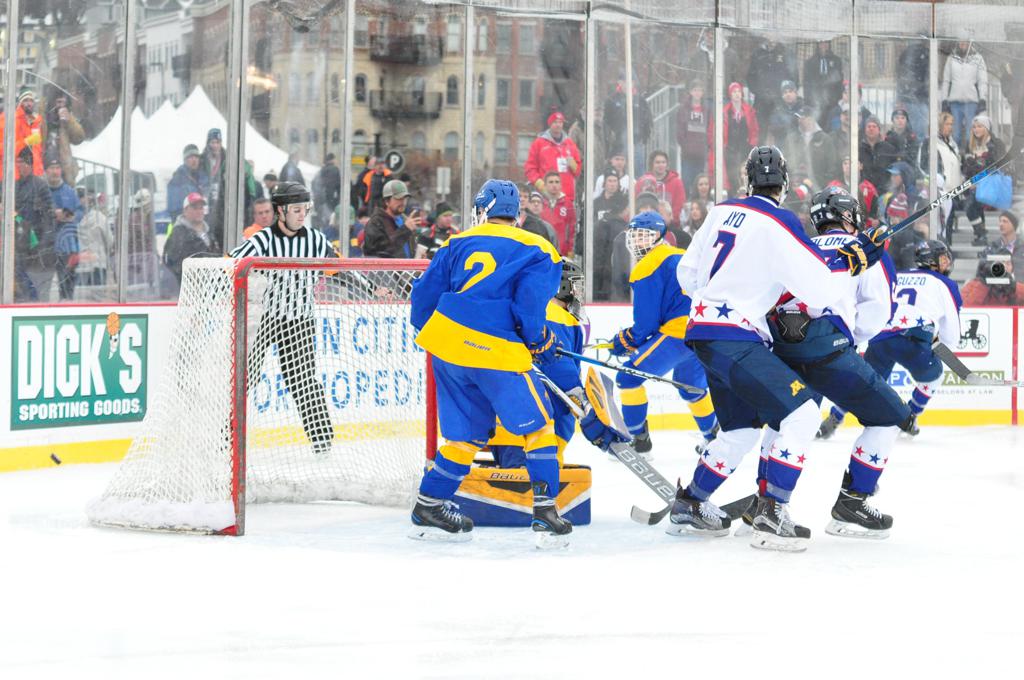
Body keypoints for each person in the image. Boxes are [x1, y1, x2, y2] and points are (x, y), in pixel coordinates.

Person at [671, 145, 887, 550]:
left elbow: (687, 274)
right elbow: (817, 291)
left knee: (739, 431)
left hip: (702, 330)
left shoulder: (720, 211)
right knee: (803, 415)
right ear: (784, 184)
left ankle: (691, 503)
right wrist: (852, 262)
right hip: (737, 336)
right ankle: (772, 511)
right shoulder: (781, 221)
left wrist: (723, 291)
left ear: (747, 180)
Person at [407, 179, 621, 545]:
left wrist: (445, 335)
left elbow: (423, 301)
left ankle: (429, 504)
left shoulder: (455, 242)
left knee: (466, 437)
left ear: (483, 210)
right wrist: (538, 341)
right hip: (495, 350)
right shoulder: (537, 247)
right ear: (516, 213)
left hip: (446, 347)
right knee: (539, 429)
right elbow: (529, 306)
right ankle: (546, 512)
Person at [760, 187, 905, 538]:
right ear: (849, 216)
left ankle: (765, 504)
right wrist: (850, 337)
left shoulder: (800, 245)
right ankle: (852, 503)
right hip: (831, 353)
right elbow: (879, 310)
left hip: (783, 350)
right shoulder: (864, 248)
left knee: (787, 421)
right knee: (889, 416)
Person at [230, 181, 338, 457]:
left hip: (300, 321)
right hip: (264, 320)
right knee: (243, 377)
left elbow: (340, 268)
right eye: (296, 209)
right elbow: (231, 263)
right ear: (281, 211)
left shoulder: (316, 240)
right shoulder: (262, 240)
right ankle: (225, 437)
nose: (302, 215)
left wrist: (373, 288)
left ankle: (322, 443)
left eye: (305, 209)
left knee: (303, 381)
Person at [821, 240, 962, 439]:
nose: (947, 262)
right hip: (913, 339)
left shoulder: (899, 274)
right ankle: (911, 417)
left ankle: (834, 418)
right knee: (934, 376)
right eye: (943, 258)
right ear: (931, 261)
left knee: (864, 382)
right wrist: (942, 346)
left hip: (880, 337)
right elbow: (951, 335)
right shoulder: (945, 284)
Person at [609, 210, 718, 460]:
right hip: (703, 331)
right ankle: (714, 439)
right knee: (691, 386)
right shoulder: (683, 255)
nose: (637, 241)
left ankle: (638, 442)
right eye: (634, 235)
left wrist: (627, 340)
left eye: (644, 235)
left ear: (659, 235)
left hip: (677, 333)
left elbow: (647, 322)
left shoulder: (647, 265)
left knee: (628, 378)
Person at [489, 261, 622, 466]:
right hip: (540, 424)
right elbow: (559, 366)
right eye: (576, 286)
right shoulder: (555, 314)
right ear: (562, 286)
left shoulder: (523, 311)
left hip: (506, 418)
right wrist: (579, 397)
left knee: (514, 475)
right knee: (536, 478)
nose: (578, 293)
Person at [14, 148, 56, 301]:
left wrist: (42, 243)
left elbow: (49, 216)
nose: (19, 165)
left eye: (22, 162)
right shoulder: (14, 186)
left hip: (35, 243)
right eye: (17, 162)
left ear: (29, 164)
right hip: (18, 241)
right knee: (21, 280)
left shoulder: (40, 186)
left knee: (35, 286)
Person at [962, 114, 1006, 246]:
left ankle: (981, 233)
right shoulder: (970, 145)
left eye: (980, 126)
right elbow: (966, 167)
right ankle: (981, 235)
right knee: (973, 204)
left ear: (987, 128)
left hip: (993, 183)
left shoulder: (996, 144)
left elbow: (998, 167)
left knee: (970, 207)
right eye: (974, 127)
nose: (976, 129)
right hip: (974, 184)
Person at [712, 82, 759, 195]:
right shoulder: (725, 111)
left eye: (739, 91)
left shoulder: (748, 110)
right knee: (732, 176)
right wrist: (723, 145)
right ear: (730, 94)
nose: (737, 94)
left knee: (745, 174)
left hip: (745, 148)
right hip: (730, 149)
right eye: (734, 92)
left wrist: (752, 143)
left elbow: (754, 129)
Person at [524, 111, 582, 203]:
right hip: (546, 197)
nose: (558, 125)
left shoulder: (570, 143)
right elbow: (530, 168)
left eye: (560, 122)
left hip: (567, 197)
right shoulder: (539, 143)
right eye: (555, 122)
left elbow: (578, 171)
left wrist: (574, 166)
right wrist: (540, 184)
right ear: (550, 124)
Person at [164, 192, 220, 284]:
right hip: (190, 285)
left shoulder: (209, 232)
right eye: (195, 208)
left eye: (201, 208)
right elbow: (174, 265)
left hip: (211, 284)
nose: (199, 211)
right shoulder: (178, 234)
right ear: (185, 211)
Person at [941, 40, 988, 146]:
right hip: (954, 101)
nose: (963, 44)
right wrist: (944, 99)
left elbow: (982, 80)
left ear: (970, 43)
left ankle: (970, 153)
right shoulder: (951, 58)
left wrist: (982, 98)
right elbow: (946, 80)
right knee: (955, 133)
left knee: (970, 133)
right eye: (960, 41)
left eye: (965, 41)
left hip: (971, 101)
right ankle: (955, 153)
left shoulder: (977, 58)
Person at [362, 179, 420, 258]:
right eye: (398, 198)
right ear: (387, 201)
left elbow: (409, 249)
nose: (403, 202)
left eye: (405, 198)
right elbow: (378, 252)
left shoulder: (405, 220)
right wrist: (405, 230)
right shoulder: (375, 222)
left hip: (407, 266)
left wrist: (418, 256)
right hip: (387, 266)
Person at [0, 88, 45, 178]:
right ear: (19, 102)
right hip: (13, 175)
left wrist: (39, 172)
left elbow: (39, 150)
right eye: (25, 100)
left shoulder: (37, 121)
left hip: (34, 174)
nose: (29, 103)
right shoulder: (8, 119)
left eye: (31, 100)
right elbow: (3, 149)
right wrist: (25, 142)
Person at [634, 150, 686, 228]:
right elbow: (637, 202)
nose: (661, 165)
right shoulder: (642, 181)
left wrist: (670, 220)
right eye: (657, 162)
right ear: (652, 164)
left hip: (670, 225)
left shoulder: (677, 182)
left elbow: (679, 205)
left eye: (663, 162)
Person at [42, 92, 85, 184]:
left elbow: (79, 138)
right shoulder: (44, 117)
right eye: (58, 102)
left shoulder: (67, 118)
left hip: (63, 168)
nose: (61, 105)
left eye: (63, 103)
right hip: (44, 165)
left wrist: (70, 120)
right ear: (53, 102)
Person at [675, 80, 710, 192]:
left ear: (702, 93)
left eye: (699, 90)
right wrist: (685, 145)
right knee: (686, 181)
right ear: (690, 92)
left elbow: (709, 129)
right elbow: (680, 130)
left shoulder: (707, 110)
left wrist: (706, 146)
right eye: (695, 90)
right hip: (687, 154)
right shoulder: (683, 109)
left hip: (701, 153)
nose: (697, 93)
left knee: (699, 182)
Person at [803, 40, 844, 129]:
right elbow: (807, 85)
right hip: (816, 102)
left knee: (831, 126)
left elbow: (839, 82)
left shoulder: (836, 60)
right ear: (818, 44)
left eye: (826, 42)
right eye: (821, 43)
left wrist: (837, 99)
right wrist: (809, 101)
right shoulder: (810, 62)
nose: (824, 45)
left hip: (832, 102)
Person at [76, 190, 112, 287]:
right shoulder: (100, 218)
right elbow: (109, 240)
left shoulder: (72, 219)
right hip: (98, 262)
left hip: (81, 265)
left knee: (82, 294)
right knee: (98, 293)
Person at [166, 144, 210, 223]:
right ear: (185, 160)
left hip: (204, 223)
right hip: (187, 224)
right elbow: (174, 210)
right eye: (191, 157)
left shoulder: (205, 178)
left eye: (196, 157)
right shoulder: (177, 180)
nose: (194, 160)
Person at [538, 171, 577, 257]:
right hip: (542, 250)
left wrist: (570, 249)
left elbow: (572, 229)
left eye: (557, 182)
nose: (554, 185)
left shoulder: (567, 203)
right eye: (551, 182)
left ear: (561, 185)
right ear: (545, 185)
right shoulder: (539, 202)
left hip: (561, 251)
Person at [897, 43, 931, 140]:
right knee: (917, 125)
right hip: (914, 96)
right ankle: (917, 143)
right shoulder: (921, 54)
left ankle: (917, 143)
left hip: (916, 96)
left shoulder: (919, 53)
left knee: (917, 125)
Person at [201, 128, 227, 245]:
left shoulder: (227, 158)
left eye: (218, 142)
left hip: (221, 201)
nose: (215, 145)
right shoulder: (202, 159)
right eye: (212, 142)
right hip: (206, 199)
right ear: (208, 143)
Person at [859, 116, 896, 194]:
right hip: (864, 191)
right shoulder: (858, 149)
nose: (871, 129)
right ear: (865, 130)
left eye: (874, 126)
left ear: (879, 129)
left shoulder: (889, 149)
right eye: (869, 126)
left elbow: (892, 170)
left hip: (884, 192)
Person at [768, 80, 803, 147]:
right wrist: (792, 123)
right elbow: (774, 129)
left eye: (790, 91)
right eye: (785, 92)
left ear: (796, 93)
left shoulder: (803, 108)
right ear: (782, 96)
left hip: (801, 147)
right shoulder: (777, 111)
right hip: (782, 147)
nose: (788, 94)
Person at [312, 153, 341, 230]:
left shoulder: (320, 171)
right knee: (331, 221)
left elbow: (314, 185)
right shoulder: (335, 170)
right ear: (332, 160)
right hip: (331, 201)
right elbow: (338, 186)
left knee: (323, 222)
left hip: (320, 201)